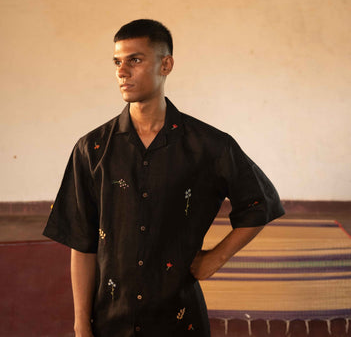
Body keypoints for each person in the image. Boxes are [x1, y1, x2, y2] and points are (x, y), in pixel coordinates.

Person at [43, 19, 284, 337]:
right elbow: (82, 243)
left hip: (180, 320)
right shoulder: (92, 149)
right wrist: (81, 325)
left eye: (135, 60)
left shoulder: (208, 146)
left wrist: (214, 259)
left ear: (166, 64)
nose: (122, 71)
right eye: (117, 61)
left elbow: (259, 202)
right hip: (110, 322)